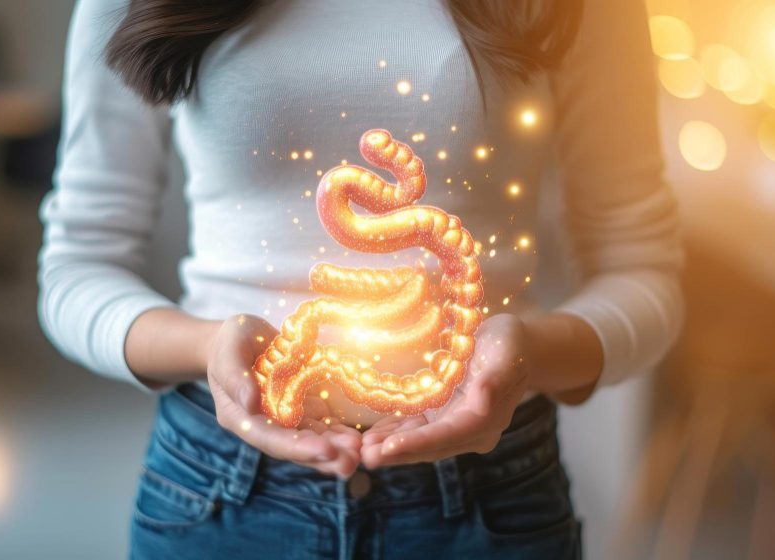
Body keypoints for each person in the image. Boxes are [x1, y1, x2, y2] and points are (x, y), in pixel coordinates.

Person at [38, 0, 683, 557]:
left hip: (491, 499)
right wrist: (208, 347)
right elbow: (77, 265)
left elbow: (641, 267)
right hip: (221, 493)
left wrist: (529, 355)